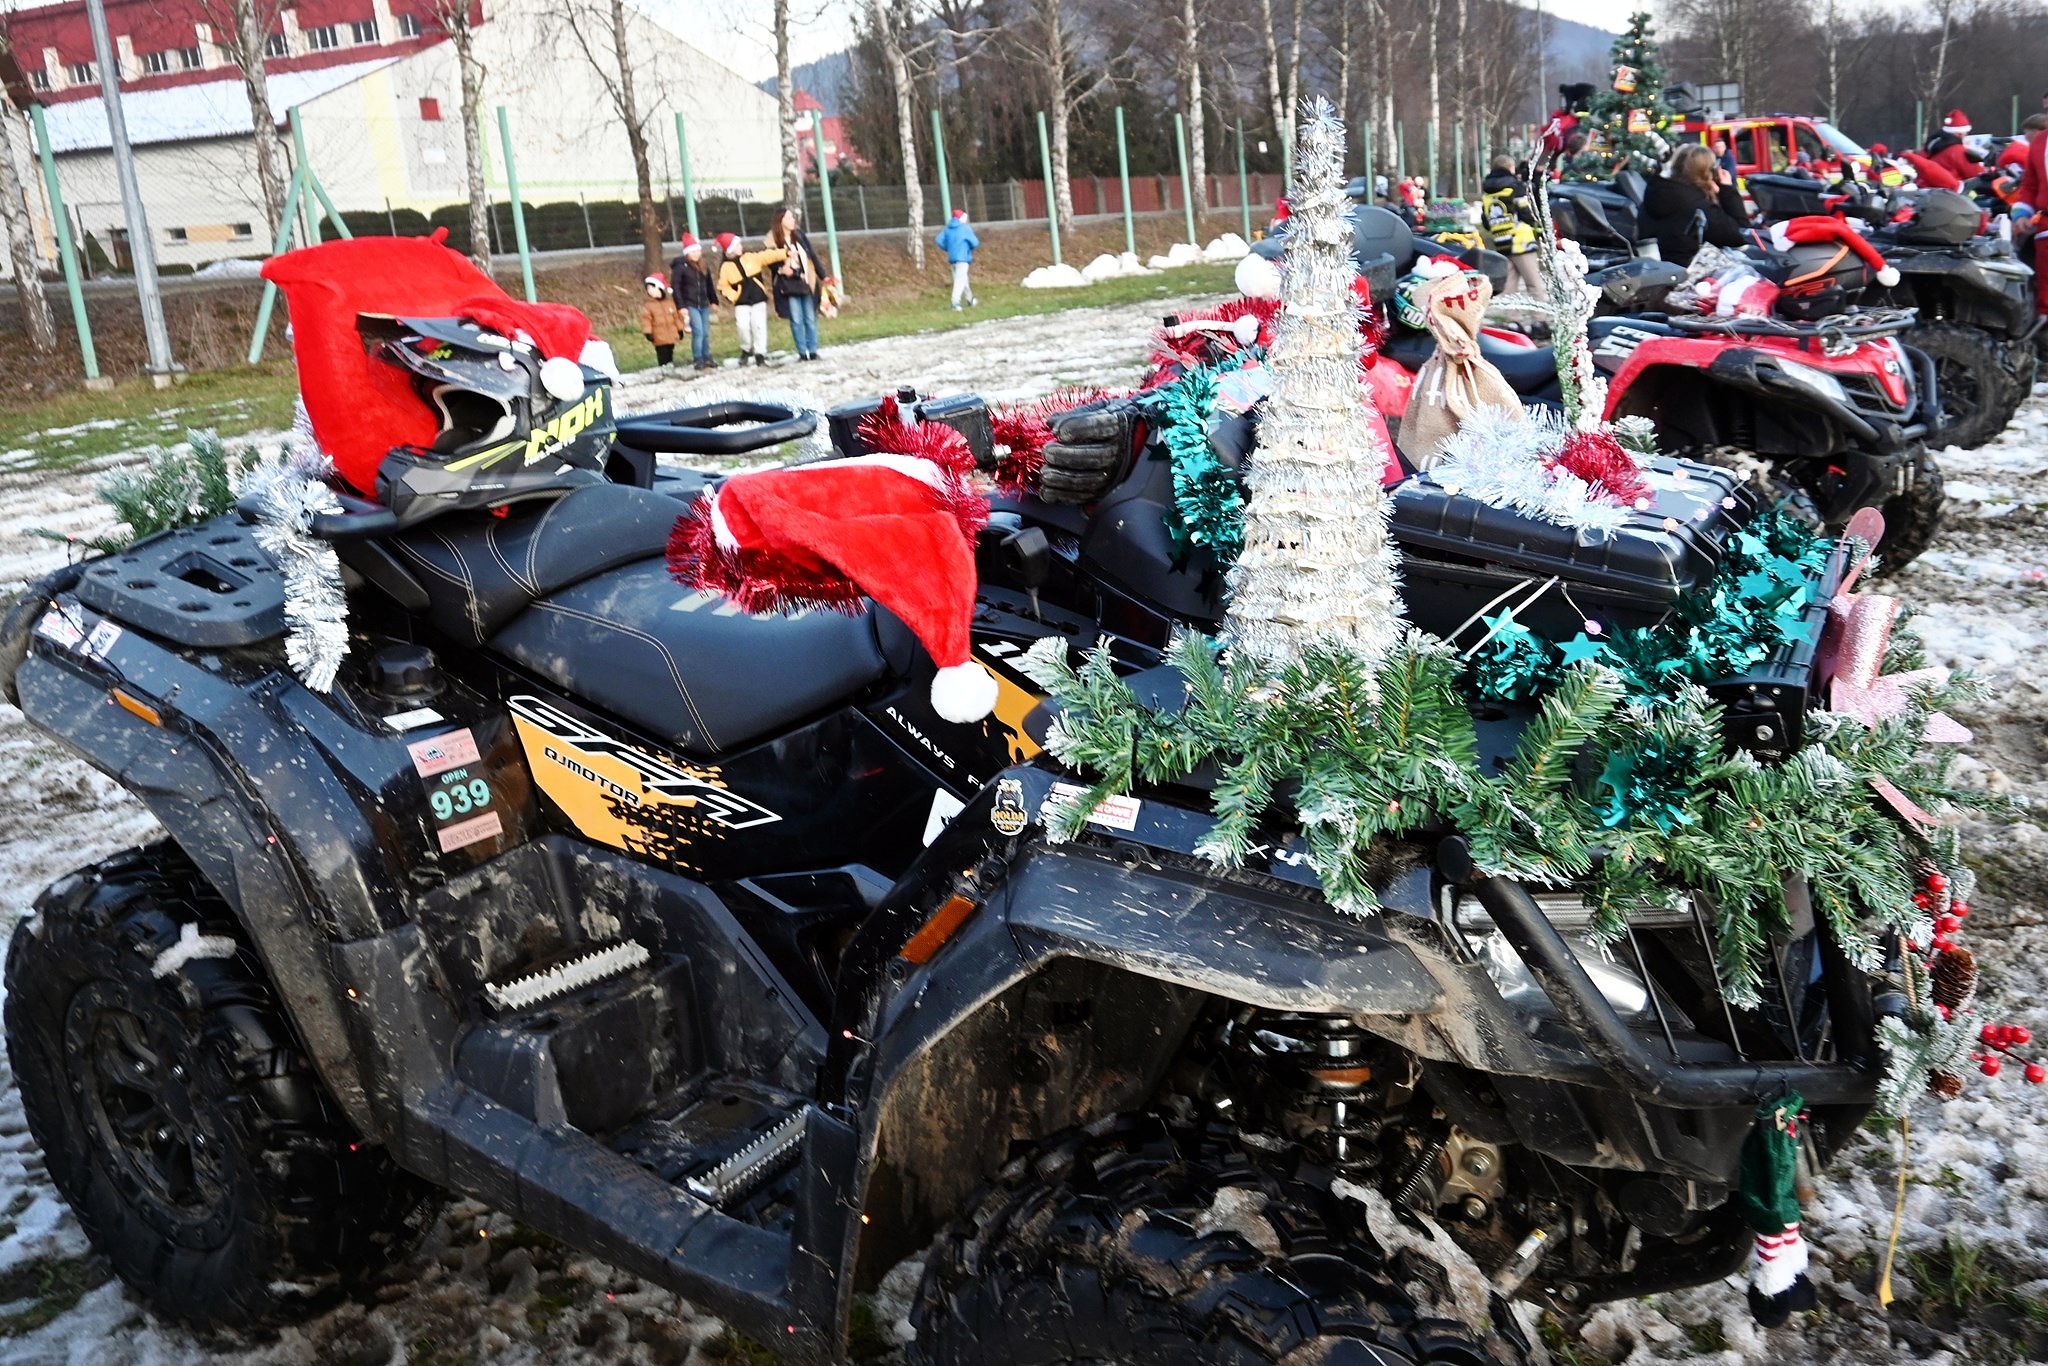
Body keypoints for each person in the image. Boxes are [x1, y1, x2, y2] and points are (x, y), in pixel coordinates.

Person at [1641, 142, 1751, 266]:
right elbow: (1741, 234)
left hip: (1661, 269)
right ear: (1707, 172)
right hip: (1691, 272)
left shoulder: (1656, 192)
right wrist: (1727, 190)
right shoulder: (1697, 205)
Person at [715, 231, 788, 367]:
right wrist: (735, 296)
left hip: (758, 299)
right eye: (737, 245)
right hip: (741, 303)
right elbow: (723, 286)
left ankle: (760, 353)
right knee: (742, 327)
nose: (741, 246)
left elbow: (767, 256)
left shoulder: (750, 258)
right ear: (731, 249)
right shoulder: (725, 267)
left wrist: (785, 253)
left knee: (759, 326)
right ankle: (746, 348)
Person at [768, 206, 825, 361]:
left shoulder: (799, 235)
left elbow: (812, 256)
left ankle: (813, 350)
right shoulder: (773, 240)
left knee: (810, 318)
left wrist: (824, 276)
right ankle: (802, 352)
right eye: (789, 218)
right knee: (796, 319)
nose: (792, 220)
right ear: (780, 221)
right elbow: (769, 261)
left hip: (805, 280)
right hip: (788, 285)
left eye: (792, 217)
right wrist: (781, 269)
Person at [1479, 154, 1542, 295]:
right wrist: (1536, 224)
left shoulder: (1487, 192)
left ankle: (1509, 311)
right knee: (1534, 285)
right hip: (1522, 242)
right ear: (1510, 168)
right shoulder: (1516, 187)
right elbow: (1526, 212)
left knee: (1508, 289)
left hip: (1501, 243)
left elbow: (1486, 223)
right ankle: (1541, 310)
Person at [670, 235, 717, 371]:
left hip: (703, 303)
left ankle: (707, 356)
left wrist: (713, 300)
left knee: (705, 332)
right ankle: (698, 358)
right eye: (693, 251)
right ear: (687, 253)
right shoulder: (681, 267)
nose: (696, 254)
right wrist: (681, 306)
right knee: (698, 331)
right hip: (690, 304)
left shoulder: (703, 266)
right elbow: (676, 288)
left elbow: (709, 284)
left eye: (697, 251)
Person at [935, 208, 980, 310]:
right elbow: (975, 243)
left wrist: (948, 248)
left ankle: (970, 300)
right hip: (963, 258)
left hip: (952, 258)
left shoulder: (947, 229)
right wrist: (968, 247)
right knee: (960, 280)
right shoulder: (965, 229)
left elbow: (938, 240)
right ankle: (955, 303)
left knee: (963, 279)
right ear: (961, 218)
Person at [1924, 110, 1985, 182]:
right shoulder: (1958, 151)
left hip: (1927, 186)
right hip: (1948, 188)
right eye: (1966, 132)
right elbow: (1976, 174)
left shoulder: (1931, 147)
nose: (1966, 135)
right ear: (1960, 133)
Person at [638, 274, 684, 369]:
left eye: (651, 288)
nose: (650, 291)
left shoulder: (669, 303)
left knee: (670, 350)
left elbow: (676, 317)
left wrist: (680, 329)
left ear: (659, 288)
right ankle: (663, 367)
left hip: (671, 333)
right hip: (658, 334)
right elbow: (646, 320)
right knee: (662, 352)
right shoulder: (648, 305)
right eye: (648, 289)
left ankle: (669, 366)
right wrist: (648, 333)